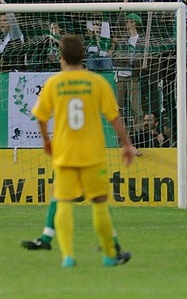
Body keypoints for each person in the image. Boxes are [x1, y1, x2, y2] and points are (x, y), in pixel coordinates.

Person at [31, 33, 136, 268]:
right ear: (83, 56)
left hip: (65, 153)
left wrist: (46, 140)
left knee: (64, 202)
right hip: (92, 154)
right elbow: (114, 117)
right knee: (99, 203)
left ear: (61, 57)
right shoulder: (97, 82)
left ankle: (68, 256)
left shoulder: (53, 83)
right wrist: (126, 144)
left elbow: (40, 116)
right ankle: (109, 255)